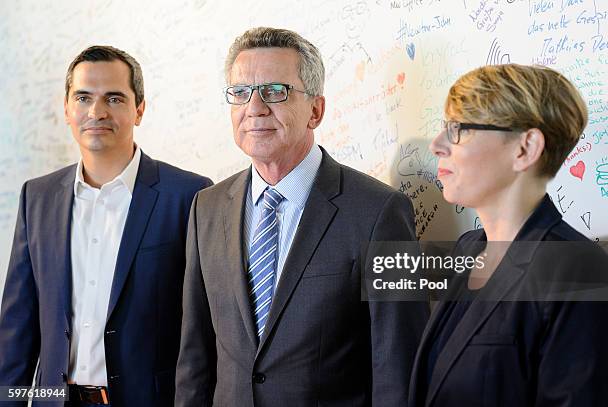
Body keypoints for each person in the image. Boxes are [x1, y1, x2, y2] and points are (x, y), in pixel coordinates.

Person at [175, 27, 429, 406]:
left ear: (316, 110)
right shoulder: (206, 207)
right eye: (240, 93)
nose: (255, 108)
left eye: (275, 92)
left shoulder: (380, 212)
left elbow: (399, 366)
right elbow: (195, 357)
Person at [0, 45, 212, 406]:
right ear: (67, 109)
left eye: (114, 98)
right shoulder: (37, 197)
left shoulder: (190, 196)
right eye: (83, 98)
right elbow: (17, 330)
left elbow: (204, 331)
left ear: (139, 109)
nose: (96, 112)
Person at [409, 64, 608, 406]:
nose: (437, 145)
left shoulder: (578, 271)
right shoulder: (466, 250)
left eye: (459, 129)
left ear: (526, 148)